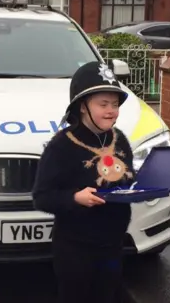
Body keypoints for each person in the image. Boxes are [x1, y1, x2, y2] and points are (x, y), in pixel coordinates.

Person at [32, 61, 136, 303]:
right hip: (74, 249)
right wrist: (74, 198)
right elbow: (42, 196)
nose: (111, 111)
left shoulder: (119, 140)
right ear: (82, 106)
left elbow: (128, 178)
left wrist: (145, 187)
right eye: (103, 104)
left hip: (112, 244)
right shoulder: (61, 145)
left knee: (108, 293)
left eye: (115, 104)